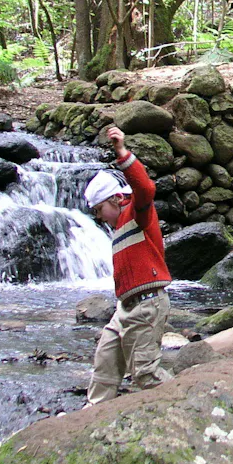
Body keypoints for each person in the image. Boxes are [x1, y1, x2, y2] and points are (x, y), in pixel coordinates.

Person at [82, 125, 173, 405]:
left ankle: (185, 397)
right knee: (104, 369)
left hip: (147, 305)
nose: (99, 218)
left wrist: (122, 152)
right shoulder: (118, 227)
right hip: (125, 308)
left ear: (116, 198)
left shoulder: (137, 213)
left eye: (99, 210)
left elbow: (145, 187)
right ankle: (91, 417)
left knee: (145, 373)